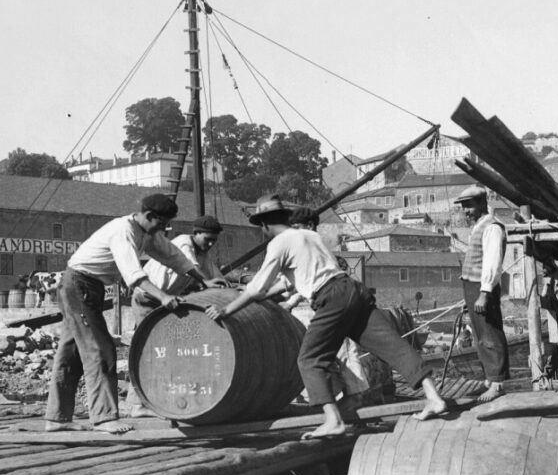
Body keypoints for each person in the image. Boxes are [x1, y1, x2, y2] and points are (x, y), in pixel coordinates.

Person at [207, 195, 448, 439]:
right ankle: (434, 398)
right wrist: (267, 296)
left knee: (310, 359)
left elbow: (257, 288)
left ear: (265, 225)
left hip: (331, 297)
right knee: (393, 345)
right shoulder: (311, 237)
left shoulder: (279, 243)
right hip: (352, 289)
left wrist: (226, 309)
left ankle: (333, 420)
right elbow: (285, 284)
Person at [47, 192, 207, 434]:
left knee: (70, 354)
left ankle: (57, 418)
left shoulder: (147, 232)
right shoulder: (124, 230)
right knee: (100, 350)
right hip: (79, 285)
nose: (164, 228)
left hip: (88, 287)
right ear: (149, 216)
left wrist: (203, 281)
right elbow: (134, 276)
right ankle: (103, 418)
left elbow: (174, 257)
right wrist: (163, 296)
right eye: (162, 223)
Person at [453, 185, 509, 402]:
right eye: (464, 207)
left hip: (482, 287)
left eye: (469, 206)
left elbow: (492, 262)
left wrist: (484, 293)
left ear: (482, 204)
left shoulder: (492, 227)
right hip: (472, 287)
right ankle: (489, 379)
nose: (466, 211)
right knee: (479, 335)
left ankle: (497, 384)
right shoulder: (478, 226)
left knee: (491, 333)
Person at [168, 214, 225, 285]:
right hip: (153, 290)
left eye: (214, 240)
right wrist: (206, 282)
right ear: (196, 233)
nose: (210, 244)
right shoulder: (184, 243)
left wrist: (225, 284)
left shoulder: (202, 253)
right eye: (207, 239)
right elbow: (192, 267)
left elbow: (213, 272)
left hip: (167, 294)